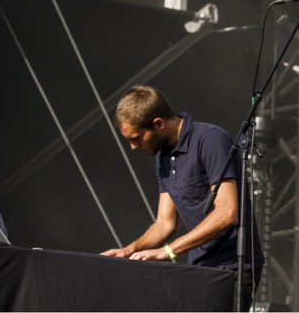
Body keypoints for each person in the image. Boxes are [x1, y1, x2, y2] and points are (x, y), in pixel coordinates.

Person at [101, 85, 264, 311]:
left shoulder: (210, 139)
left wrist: (167, 252)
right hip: (200, 266)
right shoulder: (163, 157)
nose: (132, 147)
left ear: (158, 123)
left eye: (137, 138)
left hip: (233, 265)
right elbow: (164, 224)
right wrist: (129, 251)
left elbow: (227, 212)